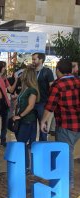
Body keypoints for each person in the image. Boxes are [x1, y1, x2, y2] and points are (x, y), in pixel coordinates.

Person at [41, 59, 80, 188]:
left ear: (57, 70)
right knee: (69, 151)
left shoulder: (58, 85)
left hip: (66, 125)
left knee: (65, 153)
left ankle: (68, 183)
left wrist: (43, 121)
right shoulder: (78, 81)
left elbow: (50, 106)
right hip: (77, 125)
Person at [12, 67, 39, 172]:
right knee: (21, 143)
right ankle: (25, 165)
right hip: (23, 120)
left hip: (27, 120)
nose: (21, 76)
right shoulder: (25, 89)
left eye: (23, 74)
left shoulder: (32, 90)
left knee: (22, 143)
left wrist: (20, 115)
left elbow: (31, 106)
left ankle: (26, 166)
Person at [32, 53, 54, 141]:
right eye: (32, 59)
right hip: (31, 103)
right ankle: (31, 144)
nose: (32, 61)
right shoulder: (31, 71)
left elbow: (52, 87)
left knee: (43, 125)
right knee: (31, 126)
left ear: (41, 60)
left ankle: (43, 144)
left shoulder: (47, 72)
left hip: (42, 103)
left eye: (34, 59)